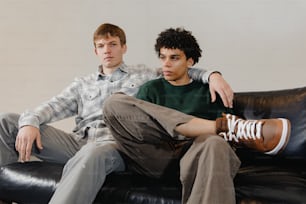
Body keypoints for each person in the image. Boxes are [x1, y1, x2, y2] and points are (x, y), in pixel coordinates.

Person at [0, 23, 234, 204]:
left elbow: (179, 67)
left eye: (112, 44)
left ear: (124, 47)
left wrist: (212, 75)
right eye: (101, 46)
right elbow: (53, 105)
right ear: (95, 50)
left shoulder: (143, 75)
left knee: (95, 148)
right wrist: (30, 121)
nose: (107, 50)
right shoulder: (82, 84)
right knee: (7, 121)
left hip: (116, 145)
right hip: (77, 143)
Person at [103, 27, 291, 204]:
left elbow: (226, 143)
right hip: (158, 156)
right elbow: (141, 129)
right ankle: (223, 126)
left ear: (190, 62)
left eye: (174, 58)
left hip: (197, 156)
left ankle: (224, 128)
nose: (166, 64)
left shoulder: (210, 91)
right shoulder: (151, 89)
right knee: (114, 103)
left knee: (215, 142)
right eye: (163, 58)